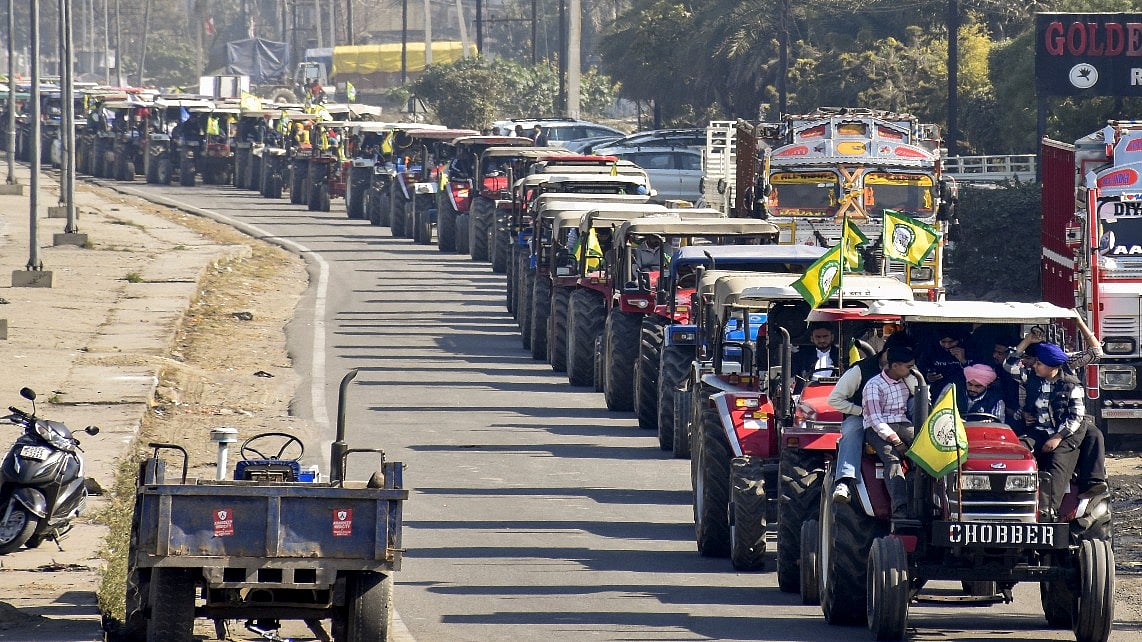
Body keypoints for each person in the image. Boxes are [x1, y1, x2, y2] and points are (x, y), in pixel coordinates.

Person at [1004, 332, 1108, 502]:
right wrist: (1028, 340)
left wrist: (1057, 438)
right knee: (1019, 451)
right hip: (1039, 430)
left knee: (1056, 463)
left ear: (1052, 367)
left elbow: (1076, 417)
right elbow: (1009, 364)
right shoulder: (1031, 378)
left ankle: (1048, 510)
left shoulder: (1071, 385)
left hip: (1065, 433)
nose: (1034, 366)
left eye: (1039, 363)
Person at [828, 330, 916, 504]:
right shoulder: (860, 370)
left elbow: (918, 394)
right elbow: (834, 399)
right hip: (862, 415)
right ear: (891, 356)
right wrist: (861, 410)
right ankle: (845, 481)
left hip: (898, 418)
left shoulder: (909, 373)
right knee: (853, 430)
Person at [862, 346, 918, 519]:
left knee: (924, 452)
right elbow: (875, 419)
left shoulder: (908, 381)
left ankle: (925, 501)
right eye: (908, 367)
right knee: (892, 459)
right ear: (895, 366)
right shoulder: (873, 385)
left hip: (903, 423)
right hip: (878, 428)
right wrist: (896, 441)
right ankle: (900, 508)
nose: (912, 370)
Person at [919, 324, 971, 400]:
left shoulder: (968, 350)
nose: (947, 345)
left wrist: (963, 360)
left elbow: (978, 375)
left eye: (951, 341)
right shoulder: (931, 350)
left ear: (959, 340)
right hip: (938, 393)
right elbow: (920, 370)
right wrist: (928, 378)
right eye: (943, 342)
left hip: (964, 394)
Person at [793, 323, 839, 389]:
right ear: (812, 338)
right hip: (807, 391)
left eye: (825, 336)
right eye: (818, 337)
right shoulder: (801, 356)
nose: (822, 340)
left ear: (832, 337)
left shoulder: (840, 355)